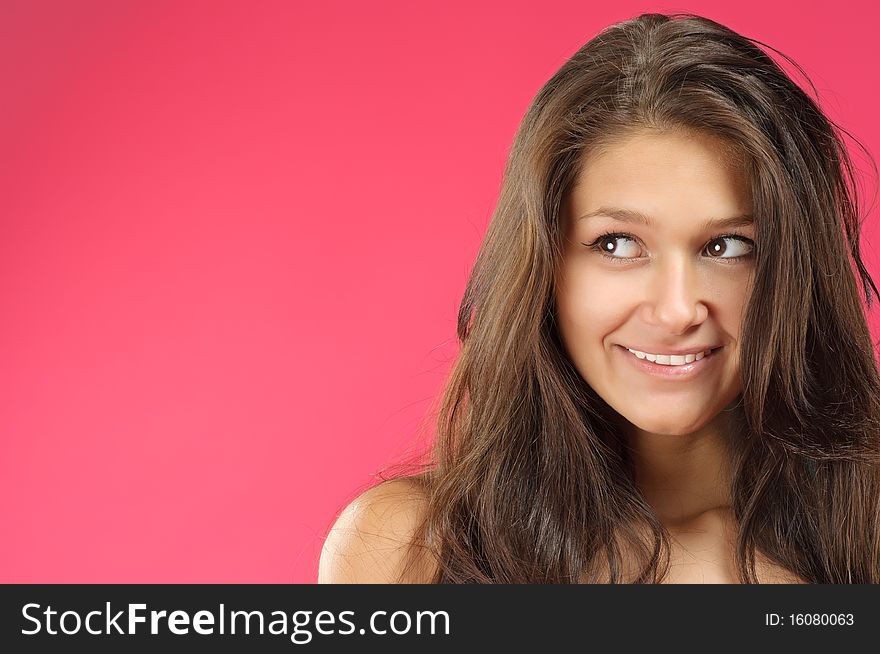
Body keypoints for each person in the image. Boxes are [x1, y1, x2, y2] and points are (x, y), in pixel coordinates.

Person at [318, 12, 880, 584]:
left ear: (795, 271)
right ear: (544, 263)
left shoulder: (862, 542)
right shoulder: (407, 549)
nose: (678, 309)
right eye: (617, 244)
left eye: (728, 246)